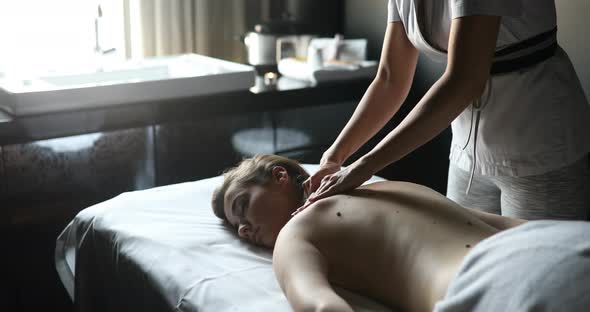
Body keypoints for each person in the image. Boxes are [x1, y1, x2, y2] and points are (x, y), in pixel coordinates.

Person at [301, 0, 590, 220]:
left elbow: (463, 80)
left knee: (534, 281)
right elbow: (390, 78)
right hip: (467, 149)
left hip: (537, 145)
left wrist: (363, 167)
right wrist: (334, 157)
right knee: (463, 267)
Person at [211, 155, 590, 312]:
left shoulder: (296, 232)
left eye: (242, 206)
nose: (243, 229)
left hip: (494, 284)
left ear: (279, 177)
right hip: (559, 247)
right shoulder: (392, 187)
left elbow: (324, 307)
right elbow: (507, 224)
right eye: (236, 227)